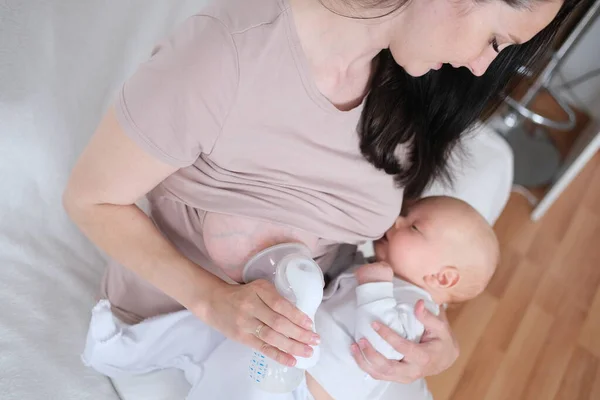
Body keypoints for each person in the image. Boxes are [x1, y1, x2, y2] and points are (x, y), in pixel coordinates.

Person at [64, 0, 580, 387]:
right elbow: (90, 200)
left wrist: (423, 334)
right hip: (179, 329)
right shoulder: (227, 55)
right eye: (495, 41)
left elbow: (355, 251)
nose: (479, 67)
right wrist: (213, 302)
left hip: (306, 336)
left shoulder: (408, 88)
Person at [81, 196, 499, 400]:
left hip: (303, 391)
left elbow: (386, 343)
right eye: (407, 212)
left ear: (441, 276)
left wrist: (373, 284)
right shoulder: (379, 275)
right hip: (284, 368)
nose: (397, 220)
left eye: (415, 227)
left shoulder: (415, 309)